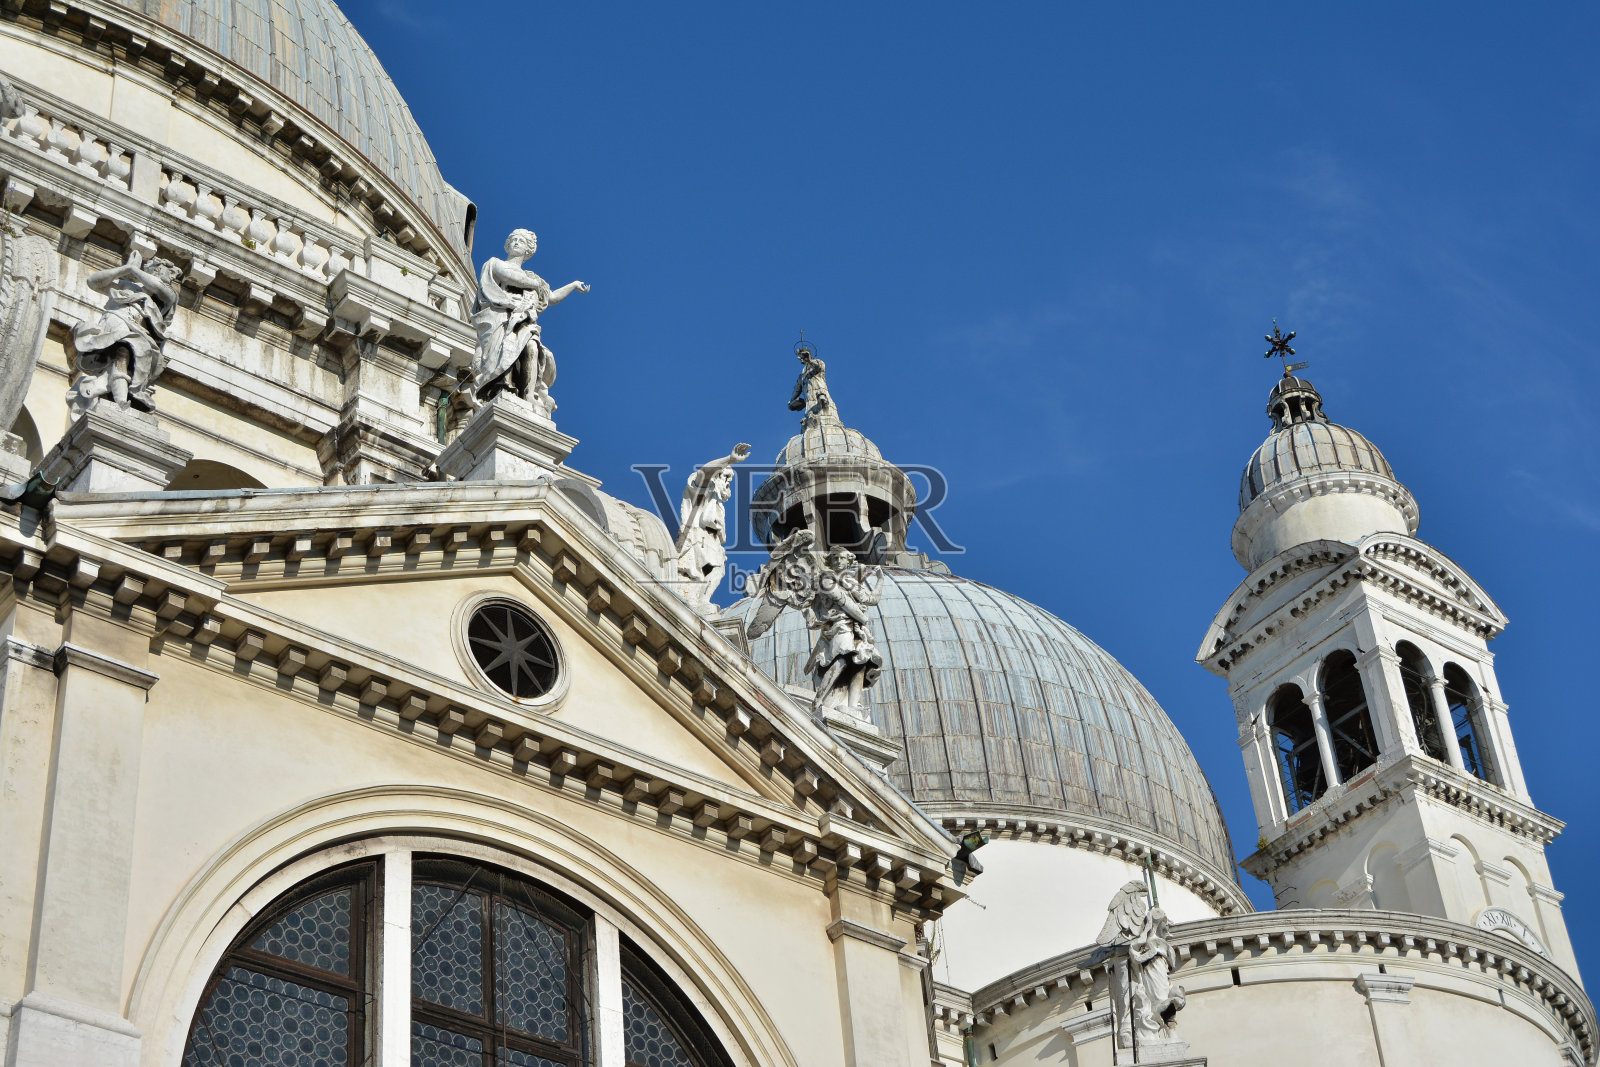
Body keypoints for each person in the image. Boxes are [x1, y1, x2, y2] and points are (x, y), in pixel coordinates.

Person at [470, 229, 588, 416]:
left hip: (523, 320)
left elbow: (552, 297)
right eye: (513, 239)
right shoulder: (495, 264)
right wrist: (536, 284)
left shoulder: (533, 277)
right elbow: (510, 276)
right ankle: (502, 385)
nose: (516, 242)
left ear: (528, 250)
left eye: (521, 241)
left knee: (532, 347)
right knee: (504, 348)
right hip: (500, 317)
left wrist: (573, 285)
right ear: (507, 245)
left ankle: (527, 394)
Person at [68, 249, 183, 413]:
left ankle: (119, 398)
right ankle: (120, 400)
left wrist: (134, 270)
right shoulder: (129, 286)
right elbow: (93, 281)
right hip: (113, 322)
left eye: (168, 273)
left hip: (135, 331)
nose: (168, 276)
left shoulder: (168, 295)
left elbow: (158, 286)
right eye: (161, 269)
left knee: (123, 355)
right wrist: (125, 269)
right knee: (121, 353)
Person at [674, 443, 751, 610]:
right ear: (716, 476)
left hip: (711, 541)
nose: (728, 482)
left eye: (730, 479)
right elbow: (704, 472)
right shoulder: (703, 491)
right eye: (726, 477)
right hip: (697, 538)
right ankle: (698, 602)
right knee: (705, 572)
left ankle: (701, 601)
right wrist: (729, 460)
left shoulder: (718, 503)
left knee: (717, 571)